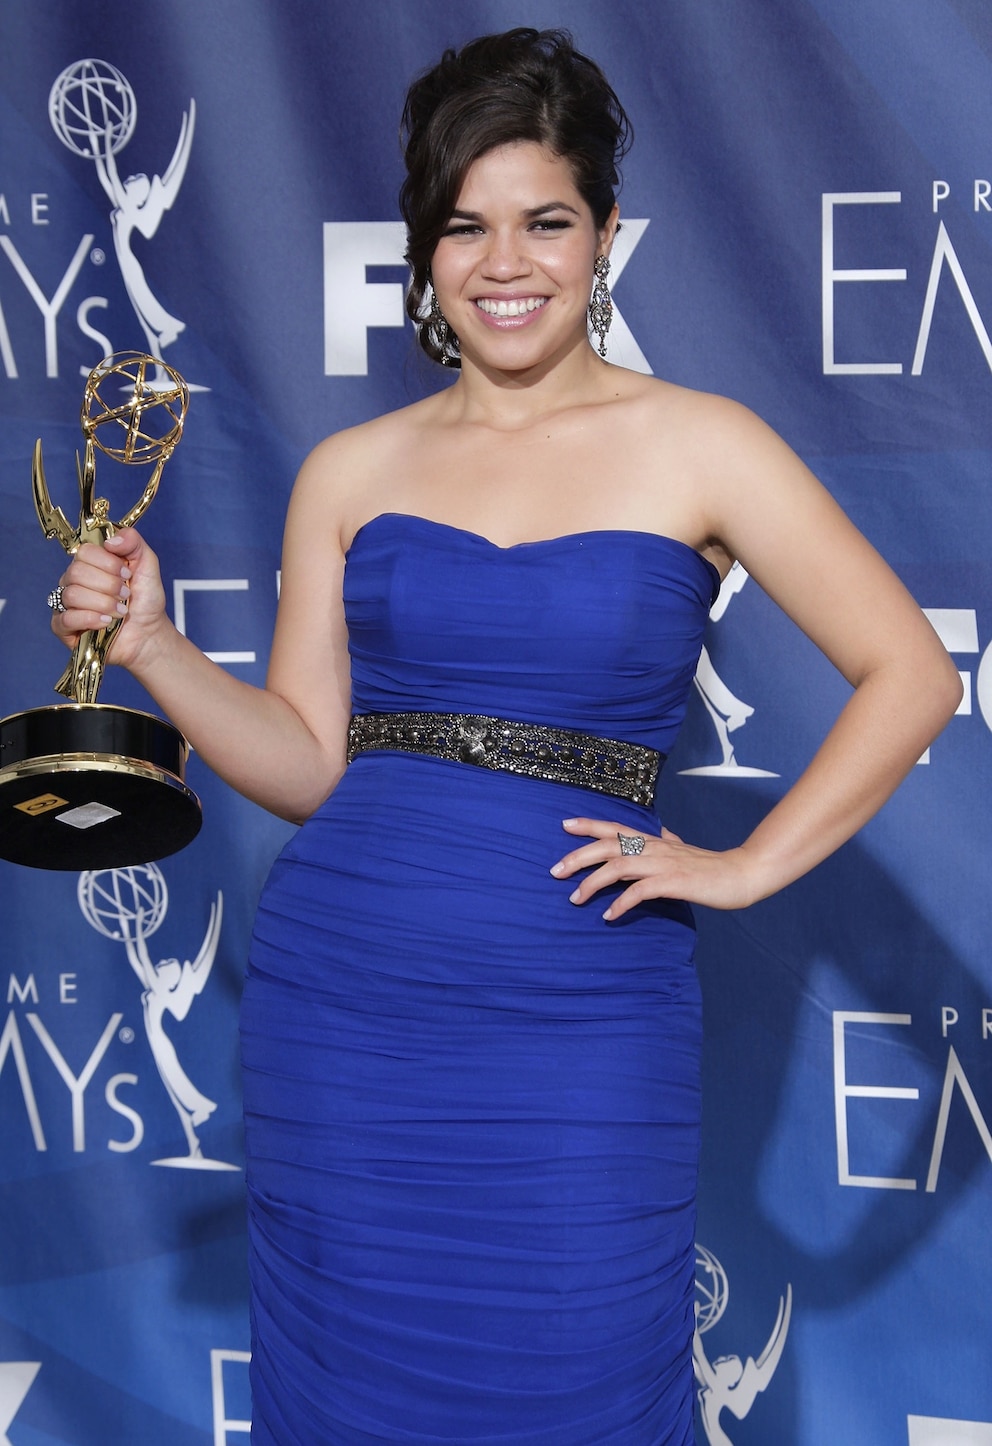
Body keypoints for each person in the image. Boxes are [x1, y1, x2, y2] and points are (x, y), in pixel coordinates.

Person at [50, 28, 961, 1445]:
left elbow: (911, 670)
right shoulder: (351, 469)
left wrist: (740, 866)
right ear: (423, 252)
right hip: (346, 1005)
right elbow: (305, 760)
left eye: (544, 219)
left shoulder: (705, 443)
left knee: (582, 1377)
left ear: (604, 234)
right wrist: (157, 645)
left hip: (583, 1002)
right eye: (464, 226)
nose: (505, 261)